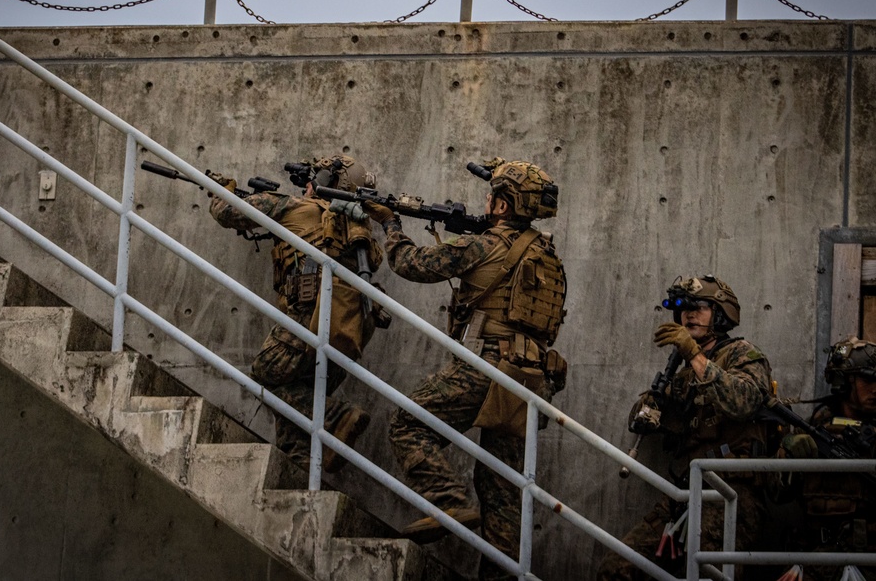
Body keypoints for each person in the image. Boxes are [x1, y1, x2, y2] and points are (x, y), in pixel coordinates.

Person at [366, 158, 568, 581]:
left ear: (501, 206)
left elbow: (411, 264)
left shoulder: (487, 245)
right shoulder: (545, 253)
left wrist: (391, 224)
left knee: (407, 422)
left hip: (487, 366)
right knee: (501, 490)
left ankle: (447, 499)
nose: (486, 201)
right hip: (528, 380)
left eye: (492, 195)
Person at [207, 155, 383, 473]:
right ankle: (301, 465)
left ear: (329, 183)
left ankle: (334, 415)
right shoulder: (361, 232)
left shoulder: (296, 208)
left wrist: (221, 190)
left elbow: (227, 212)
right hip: (351, 327)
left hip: (308, 316)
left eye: (318, 176)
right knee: (295, 401)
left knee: (265, 375)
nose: (309, 183)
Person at [597, 275, 773, 581]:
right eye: (682, 308)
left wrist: (693, 354)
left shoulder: (742, 353)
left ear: (720, 313)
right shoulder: (681, 373)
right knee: (616, 569)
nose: (688, 314)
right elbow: (645, 415)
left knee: (708, 575)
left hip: (731, 494)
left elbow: (745, 401)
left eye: (699, 307)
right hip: (686, 494)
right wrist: (648, 408)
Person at [772, 336, 876, 581]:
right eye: (868, 379)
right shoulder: (811, 431)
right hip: (812, 559)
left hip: (868, 560)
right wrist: (788, 458)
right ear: (843, 381)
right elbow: (777, 494)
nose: (875, 388)